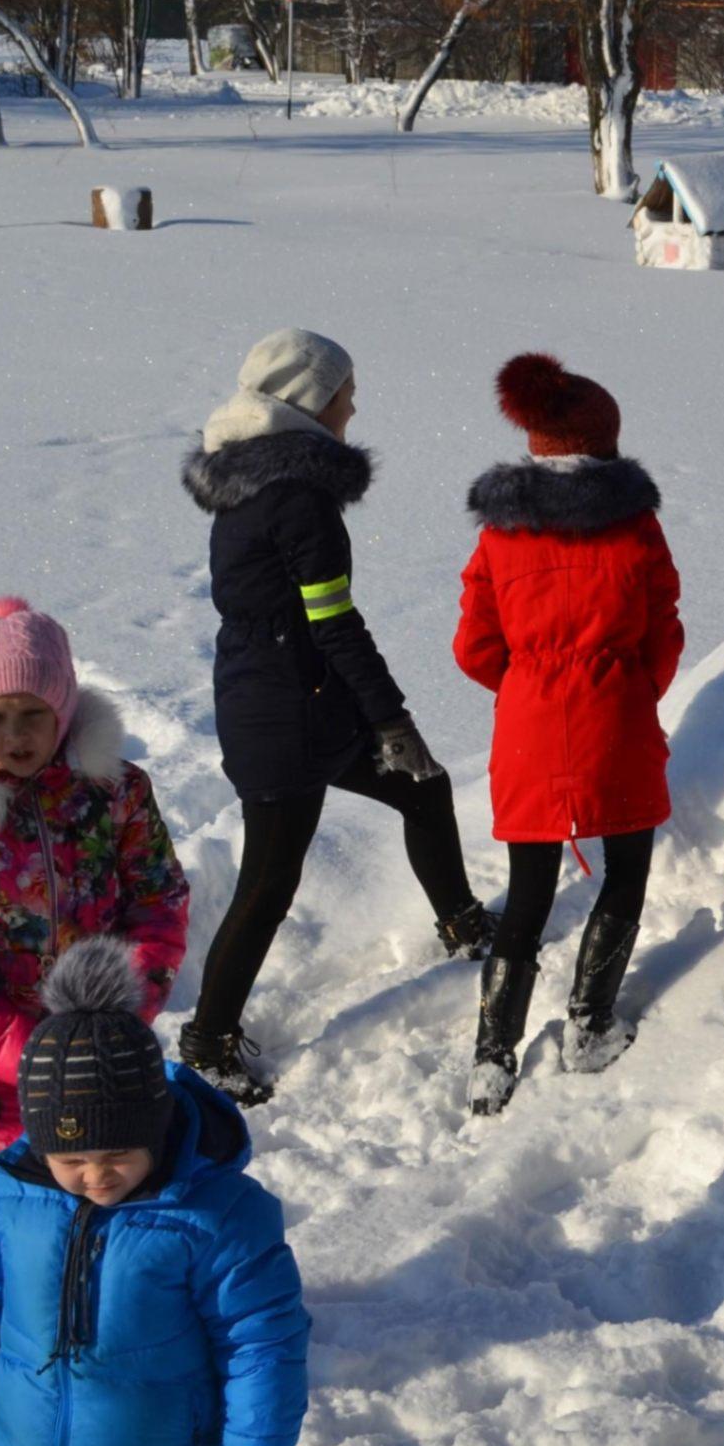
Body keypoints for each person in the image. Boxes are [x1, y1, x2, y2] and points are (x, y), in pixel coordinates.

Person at [179, 328, 491, 1107]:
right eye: (344, 390)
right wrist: (391, 718)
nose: (354, 404)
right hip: (286, 718)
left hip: (292, 700)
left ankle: (463, 926)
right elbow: (333, 621)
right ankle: (205, 1043)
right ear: (312, 400)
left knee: (423, 790)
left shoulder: (256, 484)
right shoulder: (297, 499)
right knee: (269, 881)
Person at [0, 937, 310, 1446]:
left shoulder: (218, 1213)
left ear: (156, 1129)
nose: (96, 1175)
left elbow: (259, 1335)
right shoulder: (1, 1194)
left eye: (118, 1154)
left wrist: (256, 1441)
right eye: (69, 1158)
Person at [0, 598, 192, 1196]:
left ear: (65, 709)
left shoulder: (115, 791)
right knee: (4, 1218)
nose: (16, 733)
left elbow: (158, 898)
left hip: (102, 1056)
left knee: (105, 1199)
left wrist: (125, 1008)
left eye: (34, 711)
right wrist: (17, 1047)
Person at [453, 353, 684, 1116]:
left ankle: (493, 1056)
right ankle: (589, 1024)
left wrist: (525, 689)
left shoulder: (500, 537)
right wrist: (628, 689)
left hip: (526, 727)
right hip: (615, 716)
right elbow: (662, 631)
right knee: (624, 871)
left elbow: (472, 648)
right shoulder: (636, 529)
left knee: (526, 894)